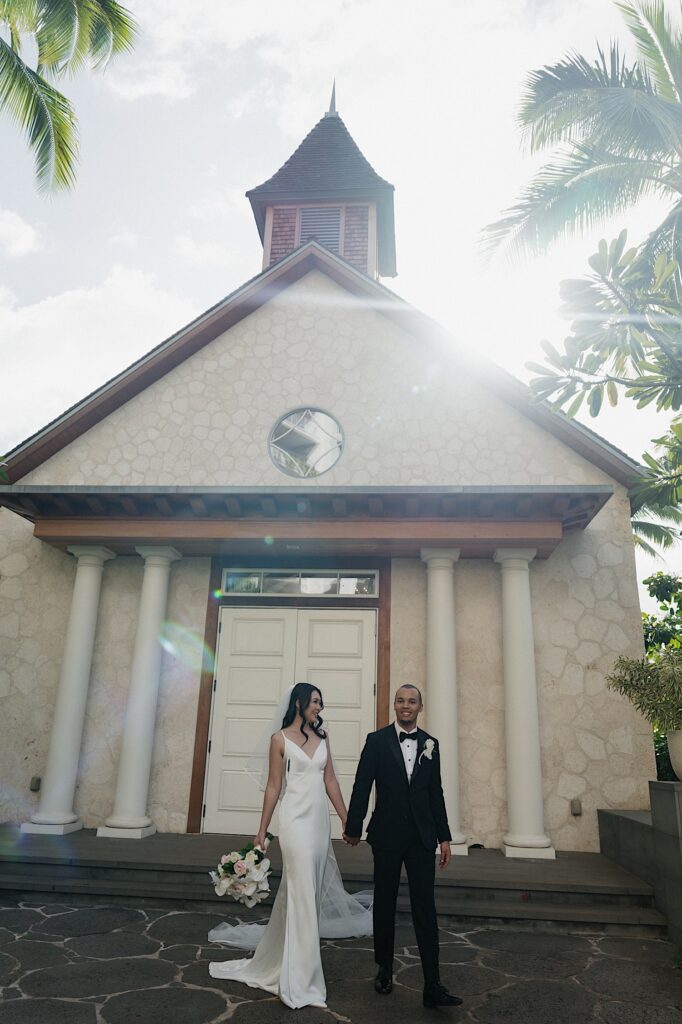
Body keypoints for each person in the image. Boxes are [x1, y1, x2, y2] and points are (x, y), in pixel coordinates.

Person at [208, 682, 372, 1009]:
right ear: (299, 703)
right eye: (314, 701)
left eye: (320, 703)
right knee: (300, 891)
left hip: (318, 824)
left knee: (307, 895)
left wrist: (347, 821)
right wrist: (262, 831)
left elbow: (330, 781)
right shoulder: (279, 740)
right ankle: (302, 980)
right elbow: (273, 787)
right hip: (294, 823)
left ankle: (289, 960)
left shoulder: (323, 738)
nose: (319, 708)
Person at [344, 684, 463, 1009]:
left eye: (411, 701)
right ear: (394, 706)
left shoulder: (431, 745)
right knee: (385, 901)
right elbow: (362, 784)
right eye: (400, 701)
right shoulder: (376, 741)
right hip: (386, 836)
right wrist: (353, 826)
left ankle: (432, 984)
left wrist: (444, 836)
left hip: (422, 839)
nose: (405, 706)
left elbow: (435, 792)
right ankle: (384, 968)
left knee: (425, 908)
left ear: (419, 707)